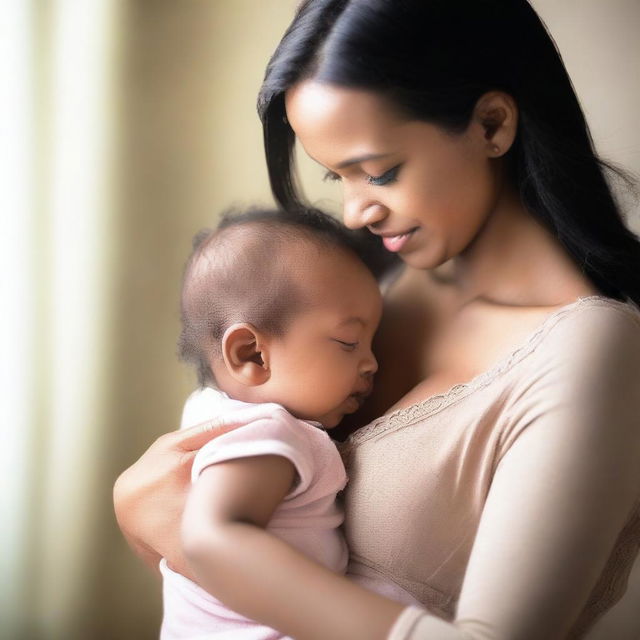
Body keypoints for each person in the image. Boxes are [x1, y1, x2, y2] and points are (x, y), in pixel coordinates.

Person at [114, 1, 640, 638]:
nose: (356, 212)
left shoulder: (590, 350)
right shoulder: (363, 285)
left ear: (492, 125)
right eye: (337, 176)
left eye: (381, 172)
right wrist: (147, 513)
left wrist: (178, 527)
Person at [160, 206, 420, 639]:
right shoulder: (269, 435)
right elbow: (213, 537)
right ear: (251, 354)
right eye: (349, 341)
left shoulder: (208, 412)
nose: (372, 363)